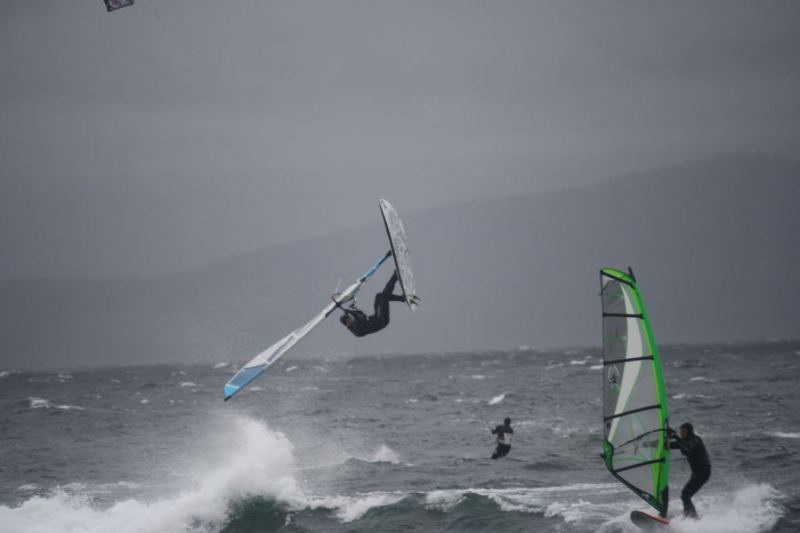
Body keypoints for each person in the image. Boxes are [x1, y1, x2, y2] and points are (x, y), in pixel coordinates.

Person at [339, 271, 405, 337]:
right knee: (384, 297)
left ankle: (401, 297)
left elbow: (362, 314)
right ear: (347, 323)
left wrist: (352, 310)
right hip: (381, 320)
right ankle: (395, 276)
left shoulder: (354, 324)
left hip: (377, 316)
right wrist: (351, 312)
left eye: (349, 318)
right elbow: (361, 319)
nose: (351, 319)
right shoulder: (356, 331)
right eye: (349, 319)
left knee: (379, 296)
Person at [668, 422, 711, 518]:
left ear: (689, 431)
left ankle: (692, 517)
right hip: (697, 472)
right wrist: (649, 444)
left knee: (685, 494)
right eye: (680, 431)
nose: (681, 433)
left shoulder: (696, 440)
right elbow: (668, 445)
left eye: (683, 431)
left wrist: (675, 436)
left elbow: (688, 447)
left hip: (703, 471)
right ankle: (690, 516)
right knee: (685, 495)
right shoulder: (683, 442)